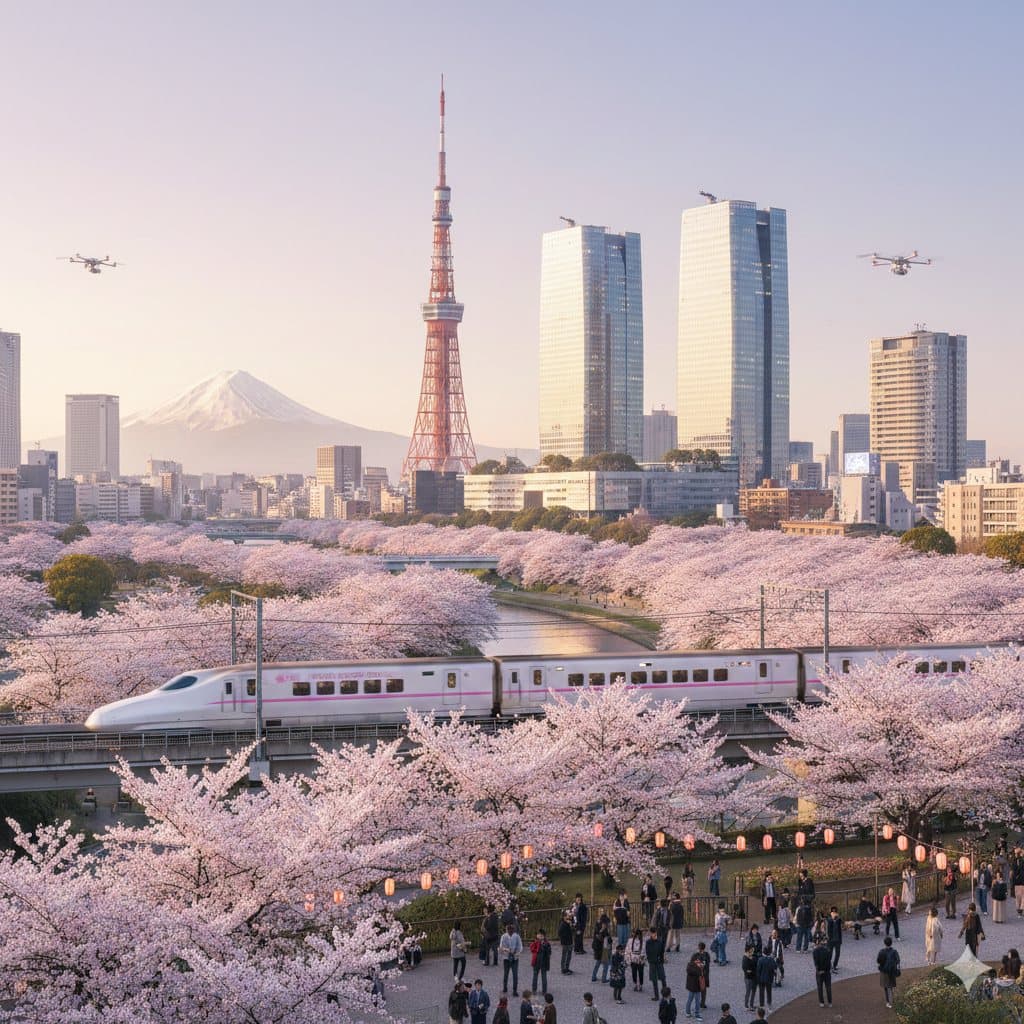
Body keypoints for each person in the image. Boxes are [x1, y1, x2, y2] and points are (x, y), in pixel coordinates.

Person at [877, 936, 900, 1009]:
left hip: (884, 971)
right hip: (892, 971)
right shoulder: (894, 951)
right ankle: (892, 1000)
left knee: (886, 987)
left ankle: (888, 1002)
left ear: (884, 943)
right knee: (891, 986)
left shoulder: (881, 952)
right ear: (891, 943)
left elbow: (878, 961)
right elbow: (898, 961)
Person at [500, 924, 523, 996]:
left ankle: (515, 990)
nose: (510, 932)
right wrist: (507, 950)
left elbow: (520, 946)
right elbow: (501, 947)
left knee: (515, 974)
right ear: (507, 930)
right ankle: (505, 987)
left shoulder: (517, 936)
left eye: (511, 931)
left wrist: (518, 953)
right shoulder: (504, 936)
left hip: (515, 958)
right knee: (506, 974)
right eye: (508, 930)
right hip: (506, 958)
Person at [811, 936, 833, 1008]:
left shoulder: (815, 951)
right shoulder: (828, 950)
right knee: (828, 987)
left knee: (820, 988)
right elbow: (829, 961)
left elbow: (816, 962)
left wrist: (819, 970)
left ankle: (821, 1002)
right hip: (827, 971)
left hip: (819, 972)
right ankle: (830, 1002)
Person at [646, 927, 667, 1000]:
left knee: (663, 978)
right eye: (653, 933)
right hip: (652, 962)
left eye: (655, 933)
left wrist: (661, 959)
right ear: (651, 934)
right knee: (654, 980)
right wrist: (650, 960)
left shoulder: (660, 941)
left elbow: (662, 951)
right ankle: (656, 996)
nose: (654, 935)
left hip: (659, 962)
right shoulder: (648, 942)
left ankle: (665, 995)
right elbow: (648, 952)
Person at [530, 930, 552, 996]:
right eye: (538, 935)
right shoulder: (535, 942)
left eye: (541, 935)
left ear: (544, 936)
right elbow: (532, 949)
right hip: (536, 961)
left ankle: (544, 991)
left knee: (543, 976)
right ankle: (534, 990)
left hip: (544, 961)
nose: (540, 936)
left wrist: (544, 946)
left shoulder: (546, 943)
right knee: (535, 976)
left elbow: (549, 952)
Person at [684, 953, 705, 1021]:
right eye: (698, 960)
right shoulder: (691, 966)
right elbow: (698, 973)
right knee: (694, 1000)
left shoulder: (690, 965)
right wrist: (700, 968)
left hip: (693, 986)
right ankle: (695, 1014)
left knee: (692, 1000)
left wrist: (701, 967)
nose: (699, 962)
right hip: (694, 987)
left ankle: (689, 1012)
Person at [754, 948, 775, 1012]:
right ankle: (769, 1005)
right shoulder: (771, 959)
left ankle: (762, 1005)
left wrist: (757, 979)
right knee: (769, 992)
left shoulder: (760, 960)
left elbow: (758, 970)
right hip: (769, 979)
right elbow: (774, 967)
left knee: (761, 992)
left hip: (761, 979)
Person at [741, 944, 758, 1011]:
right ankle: (746, 1005)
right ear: (749, 950)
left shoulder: (752, 956)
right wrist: (753, 970)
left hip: (754, 977)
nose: (753, 951)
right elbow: (746, 970)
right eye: (752, 949)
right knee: (748, 992)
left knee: (753, 991)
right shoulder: (745, 958)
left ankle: (751, 1005)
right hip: (748, 978)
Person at [826, 906, 843, 971]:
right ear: (830, 913)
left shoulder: (838, 920)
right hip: (830, 940)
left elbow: (841, 928)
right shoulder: (828, 920)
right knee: (829, 954)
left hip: (838, 940)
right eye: (832, 912)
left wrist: (838, 918)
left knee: (837, 954)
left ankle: (835, 965)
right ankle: (829, 965)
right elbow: (827, 930)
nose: (834, 913)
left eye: (835, 912)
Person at [695, 942, 711, 1009]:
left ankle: (698, 1003)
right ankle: (703, 1003)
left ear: (699, 948)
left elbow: (697, 965)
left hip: (700, 975)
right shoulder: (707, 954)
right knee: (704, 991)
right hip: (706, 975)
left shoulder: (697, 956)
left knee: (698, 990)